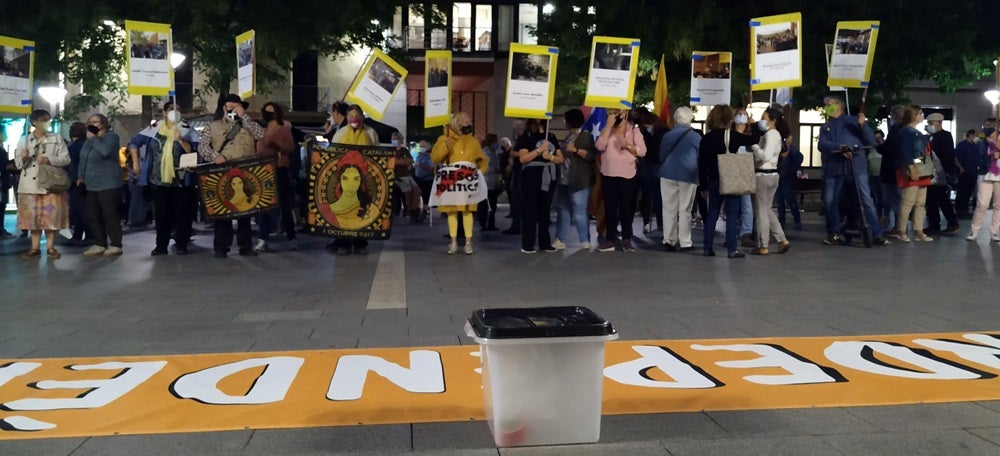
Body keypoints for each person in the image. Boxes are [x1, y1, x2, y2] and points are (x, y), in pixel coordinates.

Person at [197, 93, 266, 258]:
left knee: (246, 212)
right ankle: (221, 247)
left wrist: (245, 117)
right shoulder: (213, 126)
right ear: (224, 108)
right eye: (230, 107)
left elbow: (262, 135)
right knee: (223, 213)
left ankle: (246, 246)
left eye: (237, 107)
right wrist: (215, 156)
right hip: (222, 172)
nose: (233, 110)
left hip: (246, 172)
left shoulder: (249, 124)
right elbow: (202, 147)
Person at [817, 95, 888, 246]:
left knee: (866, 200)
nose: (827, 107)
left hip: (856, 166)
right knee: (830, 201)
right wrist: (839, 147)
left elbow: (871, 141)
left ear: (840, 106)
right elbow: (822, 145)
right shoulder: (825, 127)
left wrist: (864, 126)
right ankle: (833, 232)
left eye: (830, 104)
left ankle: (876, 233)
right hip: (834, 168)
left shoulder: (853, 122)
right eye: (826, 105)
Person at [14, 109, 71, 259]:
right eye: (44, 120)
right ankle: (34, 248)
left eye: (48, 119)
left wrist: (49, 159)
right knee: (32, 219)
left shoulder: (56, 138)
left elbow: (66, 159)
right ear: (35, 122)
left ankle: (51, 247)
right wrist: (24, 157)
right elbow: (19, 165)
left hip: (50, 183)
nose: (47, 122)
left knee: (51, 217)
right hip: (29, 185)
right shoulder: (24, 140)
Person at [432, 112, 488, 254]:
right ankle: (453, 242)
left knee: (468, 210)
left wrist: (480, 172)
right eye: (465, 121)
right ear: (457, 123)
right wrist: (445, 145)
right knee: (452, 211)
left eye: (469, 120)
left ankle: (468, 243)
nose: (469, 123)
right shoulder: (445, 138)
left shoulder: (473, 141)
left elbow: (482, 160)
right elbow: (436, 158)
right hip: (451, 178)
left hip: (467, 179)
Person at [328, 104, 379, 255]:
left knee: (361, 208)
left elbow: (377, 155)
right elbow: (333, 154)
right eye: (351, 116)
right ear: (347, 117)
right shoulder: (341, 133)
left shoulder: (370, 133)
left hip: (363, 178)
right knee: (343, 210)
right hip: (344, 179)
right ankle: (343, 243)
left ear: (362, 117)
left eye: (357, 116)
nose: (354, 119)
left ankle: (360, 243)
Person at [146, 103, 195, 256]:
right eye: (172, 110)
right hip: (158, 179)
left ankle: (181, 244)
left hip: (180, 180)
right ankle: (161, 245)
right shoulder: (155, 127)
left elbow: (193, 150)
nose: (175, 112)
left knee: (182, 214)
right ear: (165, 112)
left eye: (178, 110)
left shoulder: (186, 128)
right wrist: (135, 159)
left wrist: (180, 139)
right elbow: (137, 141)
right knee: (161, 215)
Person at [596, 108, 646, 252]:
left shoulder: (634, 131)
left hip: (628, 174)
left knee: (626, 208)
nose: (611, 116)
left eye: (614, 113)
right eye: (609, 114)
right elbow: (600, 146)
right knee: (610, 208)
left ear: (623, 113)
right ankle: (610, 239)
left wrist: (628, 147)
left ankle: (626, 238)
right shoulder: (607, 130)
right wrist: (608, 126)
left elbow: (642, 150)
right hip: (608, 174)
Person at [698, 104, 744, 258]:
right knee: (731, 214)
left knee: (712, 213)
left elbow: (701, 164)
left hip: (713, 180)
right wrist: (749, 124)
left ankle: (707, 247)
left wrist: (703, 186)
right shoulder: (733, 136)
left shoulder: (706, 139)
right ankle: (732, 249)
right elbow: (753, 139)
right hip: (730, 179)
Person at [253, 101, 298, 252]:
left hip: (279, 170)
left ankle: (292, 237)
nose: (268, 114)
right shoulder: (263, 131)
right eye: (266, 111)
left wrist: (276, 142)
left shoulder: (283, 129)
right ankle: (263, 238)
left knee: (284, 206)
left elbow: (290, 147)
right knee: (264, 206)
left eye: (271, 111)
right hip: (264, 171)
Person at [78, 113, 124, 257]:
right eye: (90, 121)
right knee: (93, 214)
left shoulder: (111, 137)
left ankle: (116, 244)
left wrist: (94, 139)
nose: (92, 124)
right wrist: (81, 176)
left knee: (109, 213)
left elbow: (105, 152)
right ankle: (99, 243)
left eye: (95, 121)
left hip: (108, 182)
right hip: (91, 182)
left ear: (103, 123)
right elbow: (83, 157)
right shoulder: (88, 139)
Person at [514, 118, 562, 253]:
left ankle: (545, 243)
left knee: (545, 210)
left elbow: (560, 158)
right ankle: (528, 244)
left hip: (549, 175)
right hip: (531, 176)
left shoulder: (551, 136)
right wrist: (539, 150)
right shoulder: (526, 137)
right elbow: (523, 158)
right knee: (530, 210)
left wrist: (550, 158)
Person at [658, 106, 701, 252]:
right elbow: (700, 158)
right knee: (685, 210)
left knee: (669, 208)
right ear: (690, 119)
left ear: (676, 119)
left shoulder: (667, 135)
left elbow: (662, 156)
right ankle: (685, 241)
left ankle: (668, 240)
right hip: (688, 175)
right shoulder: (696, 137)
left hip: (667, 173)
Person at [553, 108, 597, 250]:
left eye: (565, 119)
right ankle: (560, 238)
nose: (563, 122)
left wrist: (576, 150)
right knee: (563, 210)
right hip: (565, 179)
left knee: (579, 211)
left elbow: (591, 155)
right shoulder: (568, 137)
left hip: (579, 180)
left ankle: (585, 240)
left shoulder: (585, 136)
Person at [749, 107, 790, 255]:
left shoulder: (772, 134)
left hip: (763, 175)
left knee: (761, 211)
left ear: (773, 120)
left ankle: (762, 244)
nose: (762, 120)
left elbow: (765, 156)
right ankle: (781, 239)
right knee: (767, 209)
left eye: (764, 118)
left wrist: (754, 145)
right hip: (772, 175)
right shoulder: (773, 134)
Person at [892, 105, 933, 242]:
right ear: (914, 115)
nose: (922, 116)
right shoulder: (907, 132)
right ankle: (902, 231)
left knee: (920, 202)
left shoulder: (912, 131)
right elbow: (905, 152)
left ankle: (918, 230)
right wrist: (912, 167)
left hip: (920, 167)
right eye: (920, 113)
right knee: (908, 201)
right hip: (913, 168)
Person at [923, 113, 961, 235]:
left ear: (939, 122)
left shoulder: (945, 136)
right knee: (931, 200)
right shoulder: (929, 137)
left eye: (931, 123)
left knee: (942, 198)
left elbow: (947, 155)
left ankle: (952, 223)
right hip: (931, 172)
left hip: (940, 173)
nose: (928, 125)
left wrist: (947, 171)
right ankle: (934, 224)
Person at [731, 106, 760, 247]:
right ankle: (732, 232)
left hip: (746, 173)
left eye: (744, 115)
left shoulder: (749, 137)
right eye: (739, 114)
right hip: (732, 173)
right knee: (733, 205)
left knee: (747, 205)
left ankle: (746, 232)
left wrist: (752, 125)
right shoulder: (730, 134)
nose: (742, 117)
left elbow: (756, 142)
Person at [966, 127, 1000, 242]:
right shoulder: (982, 144)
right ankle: (974, 231)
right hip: (985, 174)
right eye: (993, 133)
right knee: (982, 204)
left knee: (998, 205)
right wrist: (991, 155)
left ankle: (994, 232)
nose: (995, 135)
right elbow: (980, 158)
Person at [392, 131, 423, 223]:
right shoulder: (391, 151)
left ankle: (413, 209)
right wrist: (403, 162)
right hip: (399, 177)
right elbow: (393, 162)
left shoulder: (404, 150)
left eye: (396, 139)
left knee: (417, 191)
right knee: (408, 194)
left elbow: (410, 160)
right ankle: (411, 213)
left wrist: (400, 162)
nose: (394, 141)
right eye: (393, 139)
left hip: (407, 175)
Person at [65, 122, 89, 245]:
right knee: (82, 208)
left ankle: (84, 235)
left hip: (76, 180)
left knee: (79, 208)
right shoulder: (85, 144)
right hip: (83, 180)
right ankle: (80, 235)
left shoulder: (74, 146)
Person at [776, 134, 803, 230]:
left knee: (790, 200)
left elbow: (799, 157)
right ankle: (783, 221)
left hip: (786, 177)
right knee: (781, 201)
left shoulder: (789, 149)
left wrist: (791, 169)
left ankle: (795, 221)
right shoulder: (784, 148)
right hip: (781, 176)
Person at [478, 133, 503, 231]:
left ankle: (491, 224)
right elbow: (485, 167)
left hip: (493, 182)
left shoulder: (494, 151)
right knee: (484, 204)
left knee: (493, 204)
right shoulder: (485, 152)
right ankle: (483, 223)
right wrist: (495, 169)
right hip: (486, 181)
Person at [954, 129, 979, 219]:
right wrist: (960, 168)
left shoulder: (975, 146)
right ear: (969, 135)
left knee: (968, 193)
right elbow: (955, 157)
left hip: (973, 172)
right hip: (964, 172)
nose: (975, 137)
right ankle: (959, 210)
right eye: (973, 135)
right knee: (962, 192)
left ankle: (965, 210)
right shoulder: (962, 145)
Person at [413, 139, 435, 214]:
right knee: (417, 196)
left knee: (426, 197)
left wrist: (421, 165)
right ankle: (417, 212)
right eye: (420, 146)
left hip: (427, 180)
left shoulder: (431, 156)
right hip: (418, 179)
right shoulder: (419, 155)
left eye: (423, 146)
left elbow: (432, 168)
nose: (421, 148)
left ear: (428, 146)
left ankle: (425, 211)